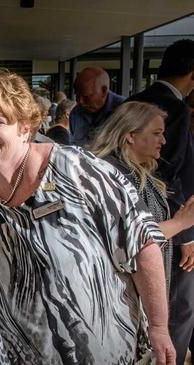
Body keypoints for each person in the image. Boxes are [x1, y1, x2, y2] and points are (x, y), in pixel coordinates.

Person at [0, 69, 175, 364]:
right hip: (19, 354)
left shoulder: (78, 170)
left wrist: (158, 327)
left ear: (25, 127)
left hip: (104, 349)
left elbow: (143, 244)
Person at [126, 39, 194, 365]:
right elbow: (174, 171)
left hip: (157, 224)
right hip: (167, 225)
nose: (163, 140)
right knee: (178, 306)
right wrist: (185, 233)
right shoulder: (174, 108)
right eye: (158, 134)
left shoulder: (135, 99)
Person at [90, 101, 194, 296]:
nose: (163, 141)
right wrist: (181, 222)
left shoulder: (134, 171)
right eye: (156, 133)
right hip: (119, 295)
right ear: (130, 135)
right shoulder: (111, 174)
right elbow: (132, 237)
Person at [69, 66, 125, 146]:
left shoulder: (125, 110)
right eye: (77, 95)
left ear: (104, 91)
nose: (80, 101)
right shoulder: (75, 113)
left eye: (86, 96)